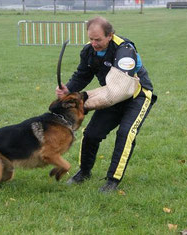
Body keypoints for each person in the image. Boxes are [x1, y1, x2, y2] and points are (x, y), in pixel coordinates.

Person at [55, 16, 157, 192]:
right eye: (91, 39)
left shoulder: (125, 50)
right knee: (92, 134)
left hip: (136, 96)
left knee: (125, 134)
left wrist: (84, 103)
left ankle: (112, 180)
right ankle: (84, 172)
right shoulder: (88, 51)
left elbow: (120, 89)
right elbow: (83, 74)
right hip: (111, 96)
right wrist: (68, 90)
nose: (94, 43)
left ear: (110, 35)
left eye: (98, 39)